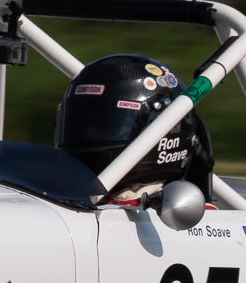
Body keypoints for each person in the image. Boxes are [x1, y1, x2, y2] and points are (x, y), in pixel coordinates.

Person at [54, 53, 214, 204]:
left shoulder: (187, 217)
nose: (88, 133)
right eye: (80, 122)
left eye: (105, 122)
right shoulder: (58, 194)